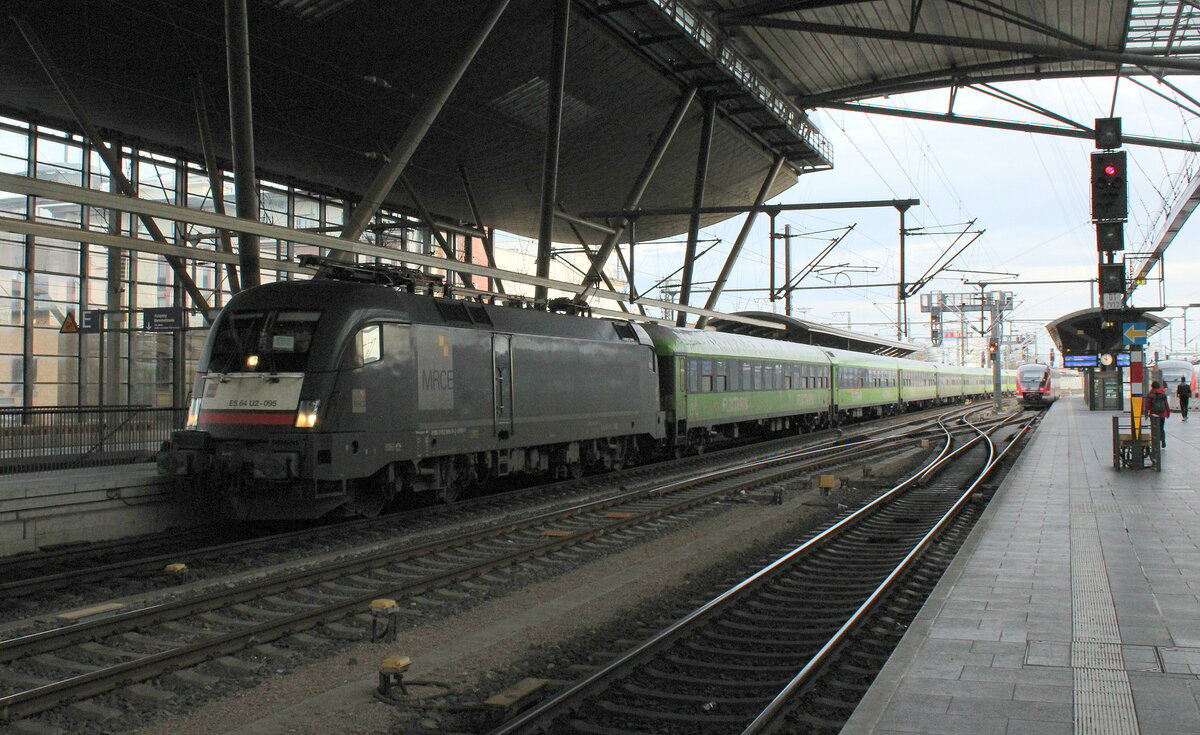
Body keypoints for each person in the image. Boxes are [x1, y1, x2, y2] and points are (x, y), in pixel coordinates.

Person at [1146, 381, 1171, 448]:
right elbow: (1166, 404)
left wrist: (1146, 413)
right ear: (1159, 386)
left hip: (1153, 415)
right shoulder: (1163, 393)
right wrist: (1168, 412)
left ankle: (1155, 442)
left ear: (1152, 386)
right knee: (1161, 428)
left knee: (1154, 429)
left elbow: (1148, 405)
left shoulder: (1150, 394)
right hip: (1162, 414)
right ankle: (1163, 440)